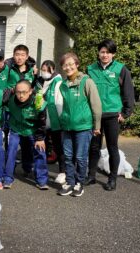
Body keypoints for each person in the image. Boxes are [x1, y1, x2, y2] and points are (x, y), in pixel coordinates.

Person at [85, 39, 135, 191]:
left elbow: (128, 92)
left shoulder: (121, 69)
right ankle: (91, 176)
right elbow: (85, 92)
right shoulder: (90, 69)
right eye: (102, 52)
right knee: (94, 147)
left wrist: (126, 113)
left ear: (113, 53)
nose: (105, 55)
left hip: (113, 114)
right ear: (98, 53)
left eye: (108, 52)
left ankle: (112, 179)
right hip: (95, 115)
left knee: (112, 147)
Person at [57, 53, 102, 197]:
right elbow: (64, 106)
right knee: (68, 157)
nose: (68, 67)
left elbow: (96, 104)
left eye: (71, 64)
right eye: (65, 65)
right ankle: (70, 182)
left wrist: (97, 125)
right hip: (67, 127)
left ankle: (79, 183)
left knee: (81, 157)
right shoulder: (63, 84)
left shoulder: (86, 82)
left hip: (83, 127)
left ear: (77, 64)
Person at [3, 80, 48, 190]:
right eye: (18, 92)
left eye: (24, 92)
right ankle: (8, 178)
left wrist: (40, 138)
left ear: (30, 91)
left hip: (33, 129)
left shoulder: (38, 102)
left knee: (39, 150)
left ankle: (41, 180)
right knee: (11, 150)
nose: (21, 95)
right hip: (16, 128)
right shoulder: (10, 99)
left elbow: (42, 121)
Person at [39, 60, 66, 184]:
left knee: (59, 147)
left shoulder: (58, 82)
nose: (44, 72)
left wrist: (62, 121)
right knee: (42, 147)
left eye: (47, 70)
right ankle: (41, 171)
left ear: (53, 69)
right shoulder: (41, 82)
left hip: (56, 121)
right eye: (43, 69)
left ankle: (63, 172)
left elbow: (59, 103)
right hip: (44, 120)